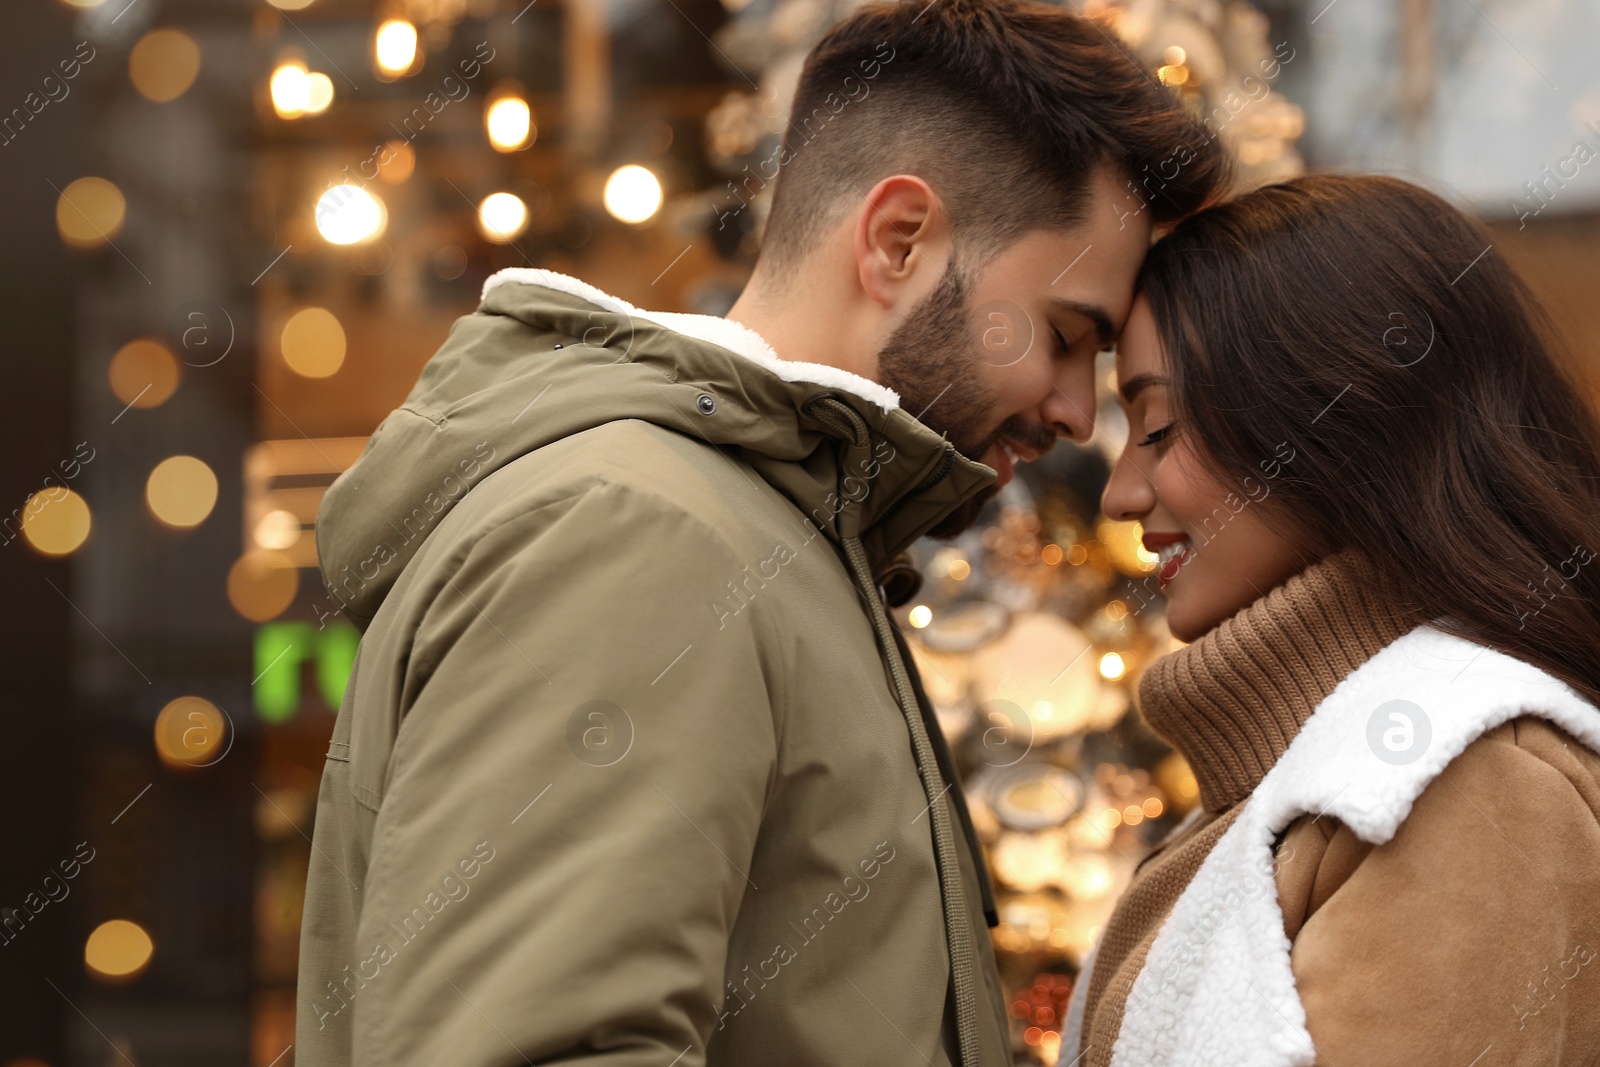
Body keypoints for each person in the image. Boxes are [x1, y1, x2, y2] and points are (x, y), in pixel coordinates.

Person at [295, 1, 1226, 1064]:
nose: (1073, 409)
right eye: (1064, 337)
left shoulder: (767, 533)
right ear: (899, 240)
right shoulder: (642, 533)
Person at [1069, 173, 1600, 1067]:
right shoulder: (1304, 788)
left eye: (1156, 425)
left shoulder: (1469, 782)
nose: (1120, 492)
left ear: (1335, 420)